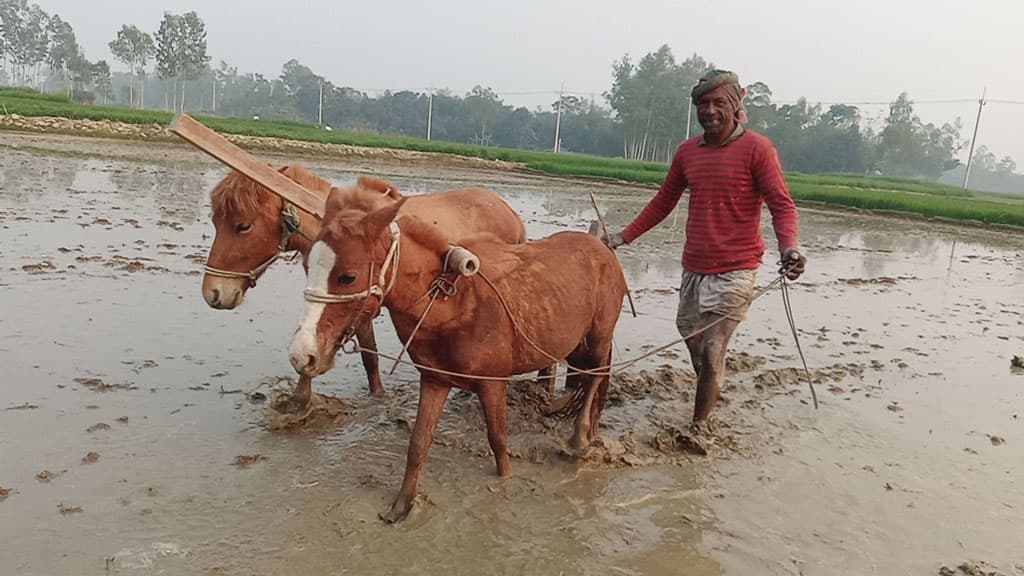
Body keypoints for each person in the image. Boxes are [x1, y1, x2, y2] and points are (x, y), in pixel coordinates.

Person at [603, 69, 807, 426]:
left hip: (736, 269)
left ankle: (698, 427)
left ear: (735, 105)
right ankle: (710, 389)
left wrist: (790, 248)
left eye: (719, 103)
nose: (710, 111)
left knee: (713, 349)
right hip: (694, 268)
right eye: (703, 104)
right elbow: (663, 202)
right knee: (696, 347)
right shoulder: (687, 153)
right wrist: (623, 237)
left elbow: (782, 205)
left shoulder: (758, 150)